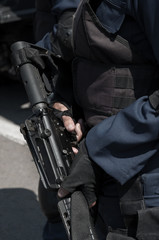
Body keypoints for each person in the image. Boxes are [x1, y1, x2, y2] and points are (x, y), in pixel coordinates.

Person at [36, 0, 159, 239]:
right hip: (109, 176)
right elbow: (106, 63)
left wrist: (99, 149)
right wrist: (66, 101)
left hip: (144, 180)